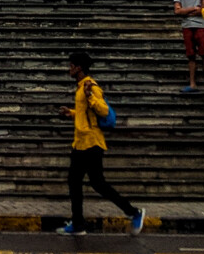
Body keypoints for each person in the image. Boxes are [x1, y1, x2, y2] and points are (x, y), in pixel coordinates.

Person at [62, 48, 145, 236]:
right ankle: (77, 224)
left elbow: (103, 111)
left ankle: (133, 212)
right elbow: (85, 114)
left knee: (97, 184)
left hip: (91, 144)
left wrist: (91, 95)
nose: (69, 69)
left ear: (79, 68)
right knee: (77, 182)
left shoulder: (91, 86)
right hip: (81, 143)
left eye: (71, 66)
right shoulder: (81, 86)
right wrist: (71, 113)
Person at [173, 0, 204, 91]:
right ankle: (192, 83)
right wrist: (193, 9)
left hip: (201, 25)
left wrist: (186, 11)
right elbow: (177, 11)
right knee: (191, 55)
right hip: (187, 25)